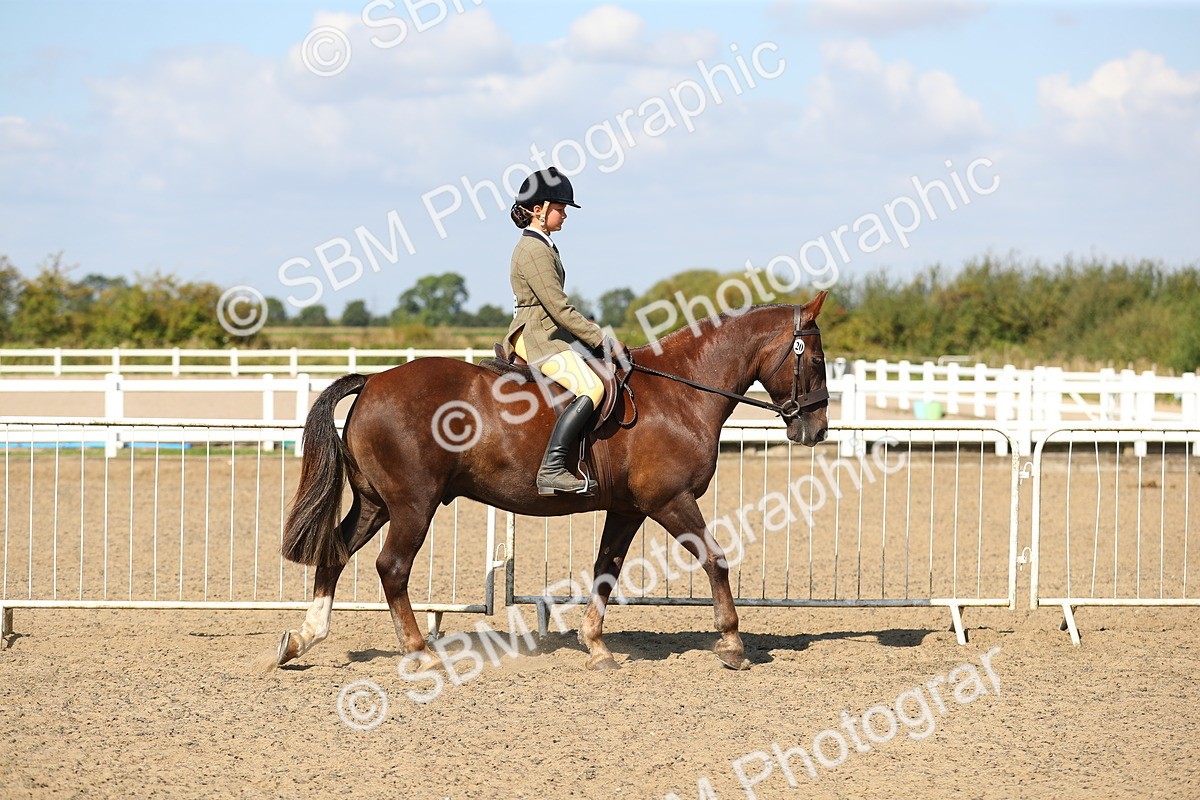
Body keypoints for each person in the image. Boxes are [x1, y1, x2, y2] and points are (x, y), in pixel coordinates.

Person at [505, 167, 627, 496]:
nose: (564, 216)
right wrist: (602, 340)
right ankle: (553, 468)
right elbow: (558, 308)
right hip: (538, 336)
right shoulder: (534, 250)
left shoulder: (542, 245)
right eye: (560, 209)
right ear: (539, 209)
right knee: (592, 387)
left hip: (548, 332)